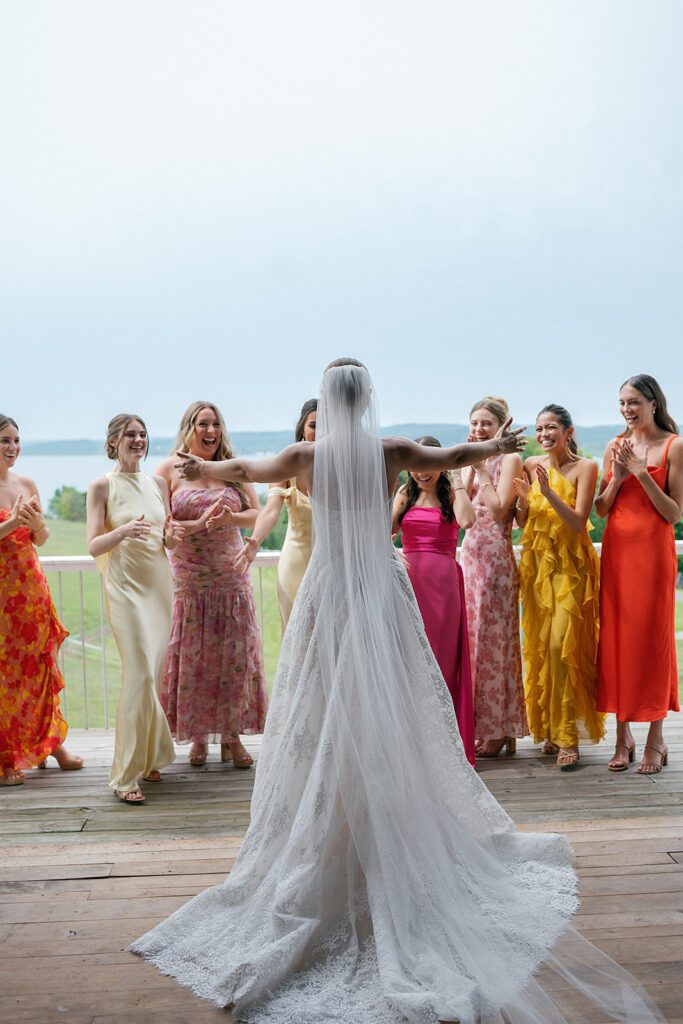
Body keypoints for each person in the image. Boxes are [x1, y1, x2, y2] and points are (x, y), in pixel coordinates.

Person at [133, 361, 663, 1024]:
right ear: (366, 402)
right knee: (387, 695)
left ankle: (343, 809)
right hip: (379, 587)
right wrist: (497, 447)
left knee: (327, 696)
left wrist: (201, 468)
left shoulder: (306, 455)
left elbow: (247, 469)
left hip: (330, 589)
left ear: (329, 402)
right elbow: (453, 456)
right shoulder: (388, 451)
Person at [156, 402, 267, 768]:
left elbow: (257, 514)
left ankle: (232, 736)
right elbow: (164, 527)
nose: (211, 431)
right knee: (194, 661)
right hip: (189, 579)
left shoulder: (232, 468)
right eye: (203, 424)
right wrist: (200, 524)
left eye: (216, 424)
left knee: (234, 659)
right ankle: (198, 736)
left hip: (230, 576)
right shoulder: (167, 470)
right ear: (188, 428)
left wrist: (230, 519)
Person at [87, 414, 180, 804]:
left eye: (143, 434)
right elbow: (93, 544)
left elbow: (167, 540)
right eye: (130, 434)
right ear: (114, 441)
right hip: (125, 589)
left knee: (151, 675)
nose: (138, 440)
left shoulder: (158, 483)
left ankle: (151, 756)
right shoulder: (101, 486)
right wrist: (123, 531)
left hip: (159, 587)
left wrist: (172, 536)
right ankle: (125, 775)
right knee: (139, 672)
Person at [596, 375, 682, 773]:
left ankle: (656, 739)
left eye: (633, 402)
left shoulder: (674, 446)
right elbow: (601, 509)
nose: (627, 410)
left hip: (653, 556)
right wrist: (618, 477)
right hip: (617, 554)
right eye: (622, 403)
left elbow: (673, 513)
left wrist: (642, 473)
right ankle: (623, 737)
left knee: (653, 641)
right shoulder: (615, 445)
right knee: (618, 641)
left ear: (653, 403)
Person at [514, 405, 605, 770]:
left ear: (568, 432)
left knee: (562, 646)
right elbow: (523, 522)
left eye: (551, 427)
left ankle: (569, 735)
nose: (544, 434)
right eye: (539, 429)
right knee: (542, 648)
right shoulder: (530, 465)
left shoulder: (586, 468)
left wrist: (549, 492)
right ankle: (551, 728)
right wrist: (524, 498)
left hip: (572, 570)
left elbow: (579, 522)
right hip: (538, 568)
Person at [0, 415, 83, 786]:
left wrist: (34, 525)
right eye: (5, 440)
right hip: (2, 595)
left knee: (39, 668)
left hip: (31, 589)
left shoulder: (27, 483)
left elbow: (42, 538)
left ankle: (51, 744)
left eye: (16, 440)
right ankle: (7, 757)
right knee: (5, 675)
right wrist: (13, 521)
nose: (13, 448)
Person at [392, 436, 476, 765]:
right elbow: (382, 529)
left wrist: (456, 478)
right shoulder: (404, 493)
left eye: (429, 464)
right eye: (416, 465)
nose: (422, 472)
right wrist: (392, 553)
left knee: (442, 659)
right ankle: (413, 741)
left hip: (442, 584)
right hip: (408, 584)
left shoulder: (451, 494)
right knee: (410, 659)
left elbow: (467, 521)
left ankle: (445, 743)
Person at [459, 398, 528, 757]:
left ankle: (501, 727)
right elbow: (462, 513)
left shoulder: (510, 459)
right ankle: (483, 724)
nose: (478, 429)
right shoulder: (473, 457)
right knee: (474, 643)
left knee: (495, 643)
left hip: (496, 560)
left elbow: (501, 511)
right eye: (474, 423)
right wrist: (469, 469)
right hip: (470, 557)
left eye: (486, 423)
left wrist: (482, 469)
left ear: (501, 427)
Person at [235, 399, 317, 630]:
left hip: (335, 567)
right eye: (314, 425)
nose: (320, 432)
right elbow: (271, 510)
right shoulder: (288, 465)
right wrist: (256, 540)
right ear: (303, 428)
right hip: (297, 564)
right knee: (297, 634)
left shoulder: (342, 469)